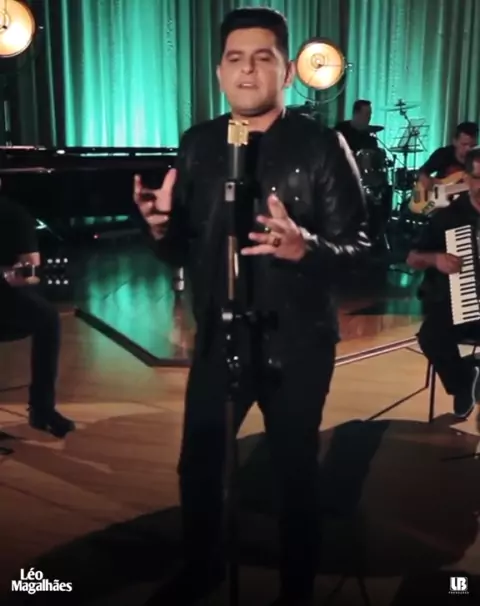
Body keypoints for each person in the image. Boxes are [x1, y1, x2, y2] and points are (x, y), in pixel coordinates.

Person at [134, 8, 370, 606]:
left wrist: (307, 247)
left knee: (294, 473)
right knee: (198, 465)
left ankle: (296, 590)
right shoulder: (198, 144)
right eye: (235, 58)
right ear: (219, 71)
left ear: (287, 72)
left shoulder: (322, 145)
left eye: (263, 58)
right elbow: (182, 251)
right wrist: (159, 231)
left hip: (299, 343)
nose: (247, 70)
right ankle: (202, 568)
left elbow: (368, 249)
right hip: (220, 336)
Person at [407, 146, 480, 418]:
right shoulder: (449, 215)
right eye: (479, 178)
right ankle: (463, 381)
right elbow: (412, 257)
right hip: (458, 301)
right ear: (467, 179)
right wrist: (436, 259)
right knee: (431, 336)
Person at [0, 191, 74, 438]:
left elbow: (29, 273)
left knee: (47, 317)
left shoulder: (13, 215)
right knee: (48, 318)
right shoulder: (15, 213)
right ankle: (42, 410)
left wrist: (15, 276)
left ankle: (42, 409)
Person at [417, 121, 478, 190]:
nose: (468, 149)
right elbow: (422, 171)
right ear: (455, 141)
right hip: (438, 195)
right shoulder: (443, 154)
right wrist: (424, 179)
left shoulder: (477, 160)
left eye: (473, 145)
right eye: (464, 144)